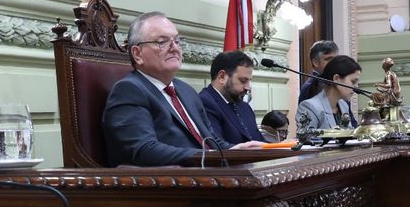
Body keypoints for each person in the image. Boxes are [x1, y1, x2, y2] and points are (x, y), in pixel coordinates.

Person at [102, 12, 262, 166]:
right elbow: (144, 150)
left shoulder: (185, 90)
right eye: (162, 42)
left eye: (177, 41)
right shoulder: (129, 90)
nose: (174, 48)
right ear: (137, 54)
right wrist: (209, 158)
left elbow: (209, 138)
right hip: (172, 186)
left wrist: (234, 150)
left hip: (209, 175)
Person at [199, 50, 264, 144]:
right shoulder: (204, 103)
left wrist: (283, 146)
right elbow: (217, 147)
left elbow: (260, 143)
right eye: (243, 80)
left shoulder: (245, 107)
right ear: (222, 77)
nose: (248, 87)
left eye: (249, 81)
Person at [296, 55, 362, 135]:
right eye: (353, 81)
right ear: (336, 79)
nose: (355, 88)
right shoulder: (309, 107)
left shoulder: (344, 105)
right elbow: (307, 138)